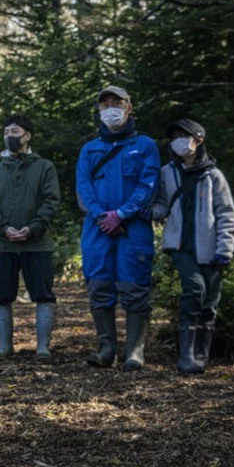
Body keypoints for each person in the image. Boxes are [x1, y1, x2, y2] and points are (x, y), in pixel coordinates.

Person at [76, 86, 160, 371]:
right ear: (99, 111)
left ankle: (134, 352)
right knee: (99, 285)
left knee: (135, 286)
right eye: (105, 104)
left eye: (117, 102)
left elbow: (148, 184)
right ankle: (106, 348)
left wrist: (122, 214)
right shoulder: (89, 149)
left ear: (129, 107)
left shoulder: (146, 145)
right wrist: (102, 216)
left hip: (133, 228)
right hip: (97, 228)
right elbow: (84, 188)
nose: (111, 108)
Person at [151, 119, 234, 374]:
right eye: (175, 136)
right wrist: (148, 212)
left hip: (210, 248)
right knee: (194, 289)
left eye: (184, 135)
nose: (179, 140)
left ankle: (201, 356)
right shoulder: (167, 172)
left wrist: (225, 248)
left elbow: (226, 214)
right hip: (180, 245)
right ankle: (186, 356)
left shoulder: (213, 176)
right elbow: (162, 205)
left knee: (209, 301)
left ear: (198, 140)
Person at [0, 117, 61, 361]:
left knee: (43, 293)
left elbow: (51, 201)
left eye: (14, 131)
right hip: (4, 245)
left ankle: (43, 347)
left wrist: (33, 227)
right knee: (2, 293)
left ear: (27, 136)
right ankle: (5, 347)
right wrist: (4, 228)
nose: (9, 136)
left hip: (37, 243)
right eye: (5, 131)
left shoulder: (44, 167)